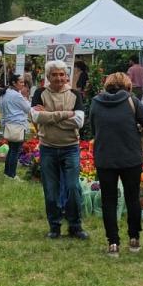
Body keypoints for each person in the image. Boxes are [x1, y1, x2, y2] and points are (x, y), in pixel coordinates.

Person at [89, 72, 143, 256]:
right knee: (132, 198)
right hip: (130, 158)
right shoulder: (132, 101)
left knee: (109, 200)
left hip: (105, 158)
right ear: (128, 85)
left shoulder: (96, 102)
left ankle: (113, 242)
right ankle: (134, 238)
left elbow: (93, 128)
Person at [30, 60, 87, 239]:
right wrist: (65, 115)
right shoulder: (40, 93)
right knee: (51, 190)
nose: (59, 78)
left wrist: (49, 115)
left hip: (70, 148)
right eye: (54, 74)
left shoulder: (75, 94)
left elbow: (79, 122)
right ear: (48, 77)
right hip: (48, 148)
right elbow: (35, 116)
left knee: (72, 188)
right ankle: (54, 227)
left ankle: (75, 226)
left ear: (66, 76)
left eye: (62, 74)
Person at [0, 73, 34, 180]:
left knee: (11, 149)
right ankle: (12, 175)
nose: (23, 84)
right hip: (17, 125)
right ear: (14, 83)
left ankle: (7, 172)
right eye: (21, 82)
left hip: (9, 124)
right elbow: (28, 108)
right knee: (15, 150)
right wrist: (25, 97)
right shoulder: (17, 95)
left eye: (23, 82)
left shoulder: (5, 93)